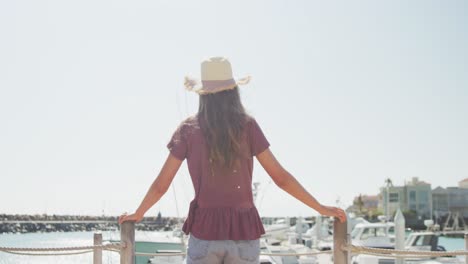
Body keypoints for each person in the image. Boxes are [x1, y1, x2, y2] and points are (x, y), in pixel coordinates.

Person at [118, 57, 346, 263]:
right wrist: (320, 207)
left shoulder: (188, 130)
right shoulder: (247, 126)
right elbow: (281, 178)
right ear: (233, 91)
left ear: (203, 94)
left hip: (205, 232)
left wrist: (139, 212)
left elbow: (161, 185)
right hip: (243, 233)